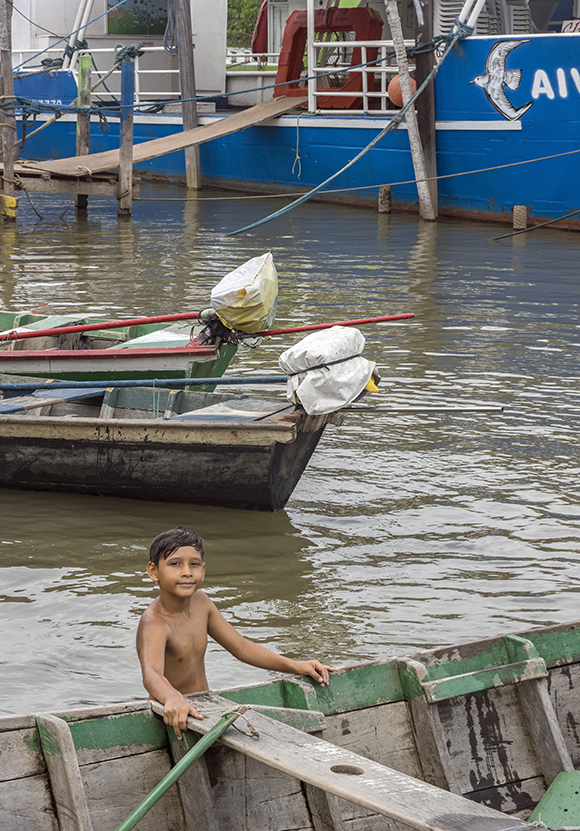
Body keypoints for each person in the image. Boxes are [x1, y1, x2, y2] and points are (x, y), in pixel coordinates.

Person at [137, 526, 333, 739]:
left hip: (205, 710)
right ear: (153, 571)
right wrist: (173, 698)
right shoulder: (155, 621)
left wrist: (295, 665)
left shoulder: (201, 602)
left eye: (194, 564)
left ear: (203, 569)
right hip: (175, 717)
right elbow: (151, 674)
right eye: (175, 564)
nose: (187, 572)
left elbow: (241, 647)